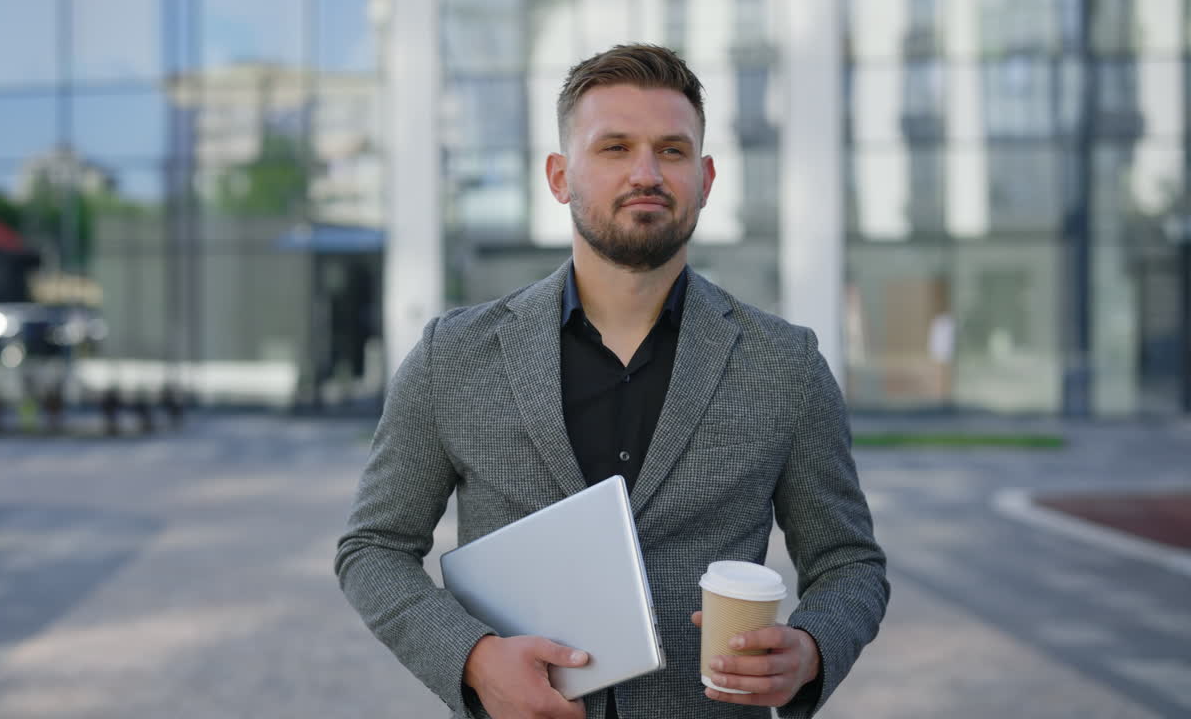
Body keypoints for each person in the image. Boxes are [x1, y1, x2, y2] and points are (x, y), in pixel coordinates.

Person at [336, 44, 888, 719]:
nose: (646, 173)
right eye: (615, 148)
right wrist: (473, 659)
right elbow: (374, 547)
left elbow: (849, 563)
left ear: (706, 178)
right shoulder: (451, 357)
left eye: (672, 151)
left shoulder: (786, 365)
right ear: (560, 176)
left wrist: (810, 648)